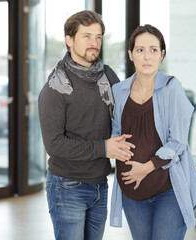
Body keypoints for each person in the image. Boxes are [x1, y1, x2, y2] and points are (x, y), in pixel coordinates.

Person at [38, 10, 135, 240]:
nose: (94, 43)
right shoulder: (55, 87)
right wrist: (104, 148)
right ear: (69, 40)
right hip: (66, 187)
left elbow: (125, 116)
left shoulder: (108, 75)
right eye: (87, 36)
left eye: (98, 37)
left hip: (100, 184)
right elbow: (54, 145)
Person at [109, 24, 196, 240]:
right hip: (132, 192)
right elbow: (115, 133)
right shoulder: (118, 91)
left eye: (153, 50)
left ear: (162, 54)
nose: (147, 56)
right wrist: (117, 147)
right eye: (140, 50)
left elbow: (178, 141)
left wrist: (147, 167)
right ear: (131, 54)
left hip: (168, 189)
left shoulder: (172, 88)